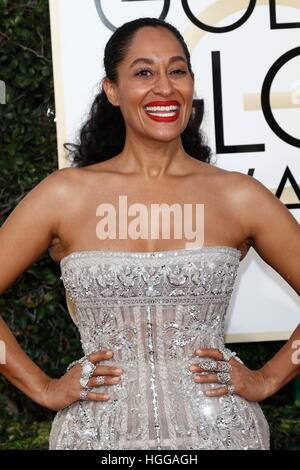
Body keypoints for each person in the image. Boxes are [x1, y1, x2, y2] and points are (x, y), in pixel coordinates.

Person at [0, 17, 299, 451]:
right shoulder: (64, 195)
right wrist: (42, 388)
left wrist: (269, 377)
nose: (164, 87)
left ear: (192, 84)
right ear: (113, 90)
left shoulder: (239, 196)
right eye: (144, 72)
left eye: (177, 71)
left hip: (222, 436)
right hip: (96, 440)